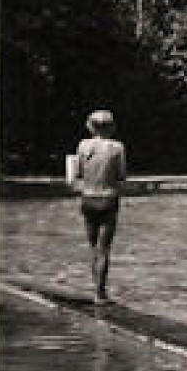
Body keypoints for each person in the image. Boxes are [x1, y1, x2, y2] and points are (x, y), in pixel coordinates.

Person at [71, 109, 127, 305]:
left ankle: (96, 288)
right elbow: (121, 175)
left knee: (93, 247)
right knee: (104, 249)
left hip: (88, 198)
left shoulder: (83, 146)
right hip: (108, 199)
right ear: (111, 127)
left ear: (91, 126)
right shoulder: (117, 147)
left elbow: (77, 174)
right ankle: (100, 293)